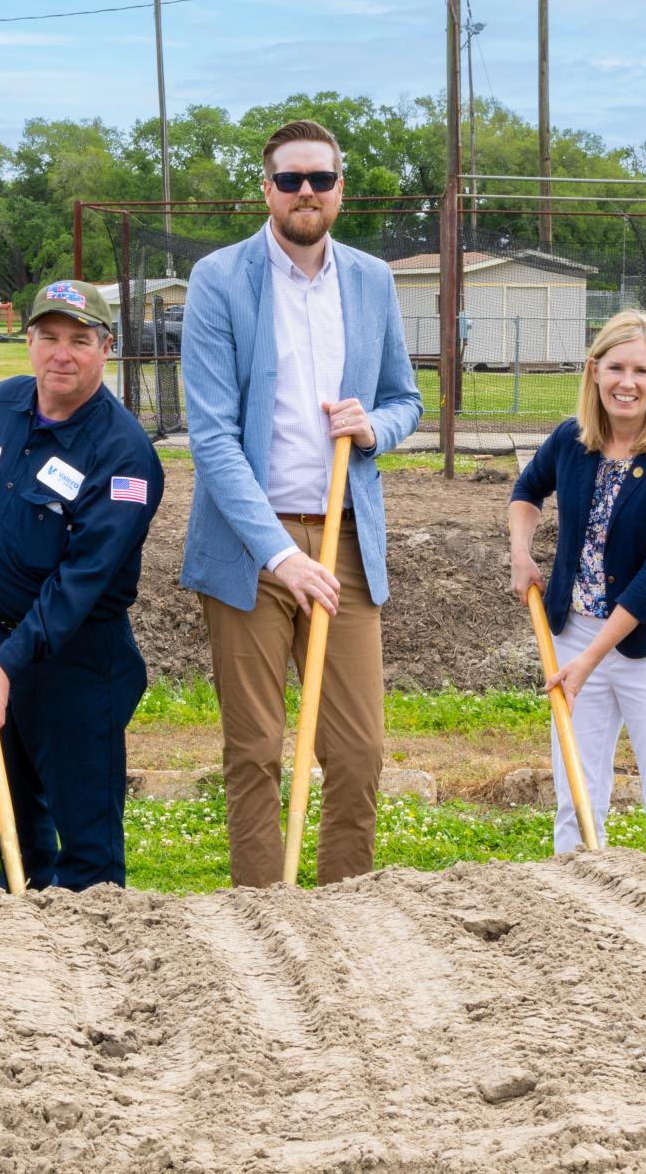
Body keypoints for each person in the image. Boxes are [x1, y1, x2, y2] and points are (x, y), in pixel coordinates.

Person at [180, 118, 424, 888]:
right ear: (267, 189)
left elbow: (404, 399)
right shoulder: (219, 280)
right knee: (254, 747)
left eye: (320, 178)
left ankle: (343, 906)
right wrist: (281, 555)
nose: (306, 192)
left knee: (357, 750)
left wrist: (375, 425)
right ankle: (264, 914)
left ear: (341, 189)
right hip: (252, 546)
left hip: (345, 541)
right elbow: (213, 438)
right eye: (290, 179)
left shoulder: (372, 281)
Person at [0, 280, 163, 891]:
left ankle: (97, 970)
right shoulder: (7, 402)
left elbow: (80, 584)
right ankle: (24, 964)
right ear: (28, 340)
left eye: (79, 341)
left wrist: (7, 663)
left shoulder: (124, 456)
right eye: (49, 337)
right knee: (18, 833)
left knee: (87, 854)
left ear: (105, 348)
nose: (62, 354)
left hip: (76, 664)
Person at [508, 310, 646, 854]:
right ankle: (580, 917)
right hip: (573, 634)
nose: (627, 382)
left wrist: (589, 660)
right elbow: (527, 489)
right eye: (616, 367)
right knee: (576, 800)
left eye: (641, 370)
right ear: (594, 371)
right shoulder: (573, 441)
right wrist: (521, 553)